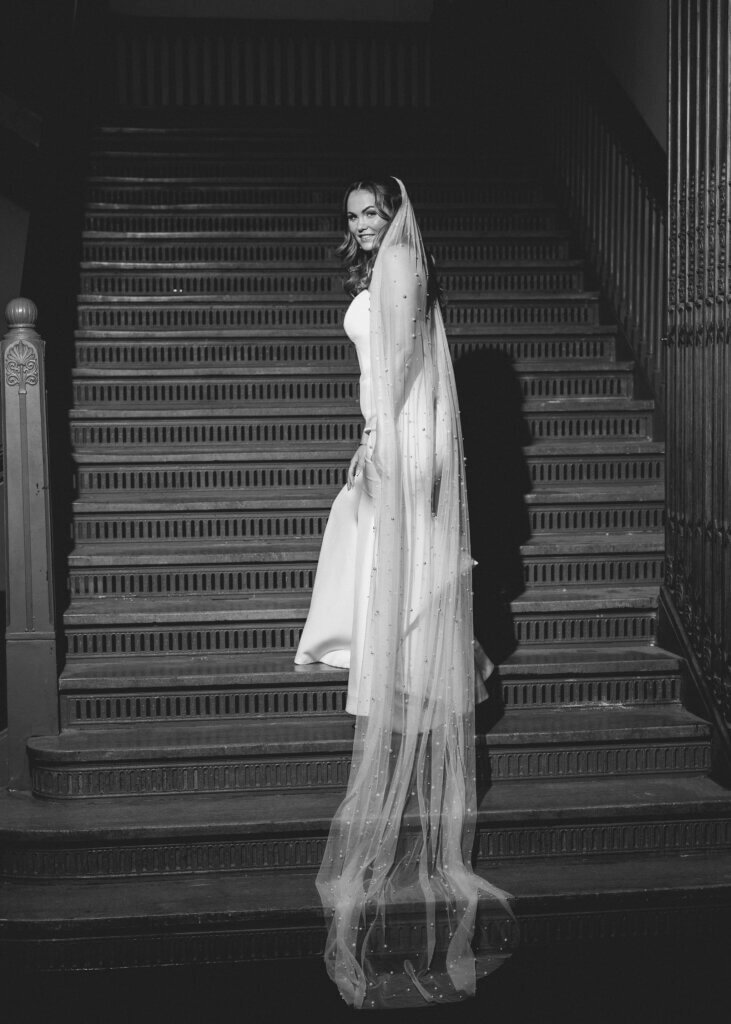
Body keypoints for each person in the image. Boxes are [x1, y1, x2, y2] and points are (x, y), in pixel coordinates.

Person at [295, 178, 516, 1009]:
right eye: (349, 217)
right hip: (400, 428)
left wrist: (376, 441)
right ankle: (403, 678)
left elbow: (399, 365)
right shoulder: (399, 266)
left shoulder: (399, 267)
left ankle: (401, 687)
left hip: (404, 433)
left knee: (392, 558)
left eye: (369, 214)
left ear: (393, 216)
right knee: (395, 561)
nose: (358, 227)